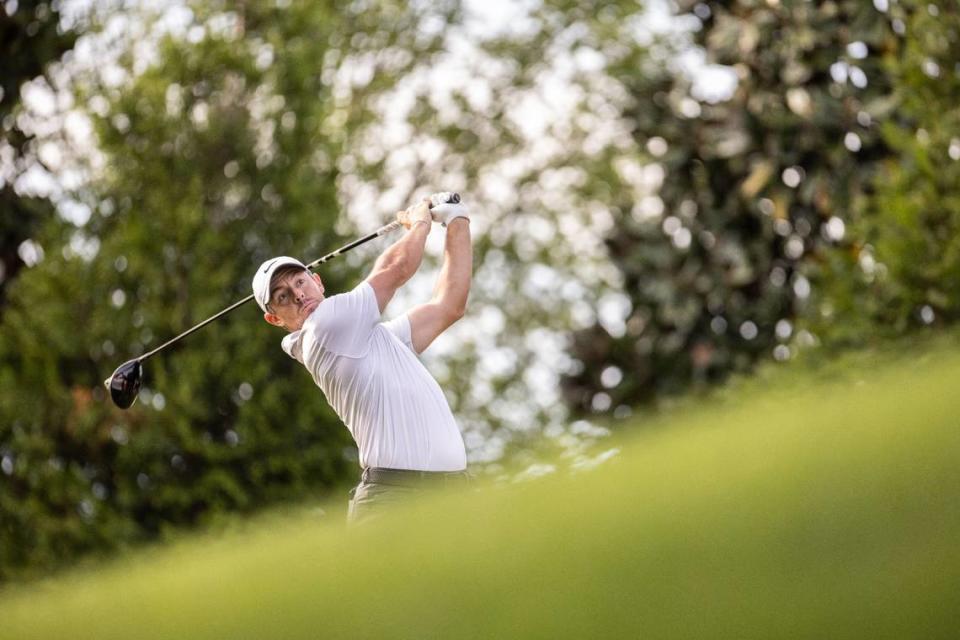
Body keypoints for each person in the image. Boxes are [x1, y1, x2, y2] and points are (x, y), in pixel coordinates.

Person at [251, 194, 472, 523]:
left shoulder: (375, 340)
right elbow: (396, 268)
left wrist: (457, 219)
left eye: (300, 281)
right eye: (283, 297)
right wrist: (421, 222)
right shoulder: (323, 328)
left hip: (448, 496)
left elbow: (449, 304)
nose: (298, 294)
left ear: (317, 280)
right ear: (275, 320)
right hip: (395, 501)